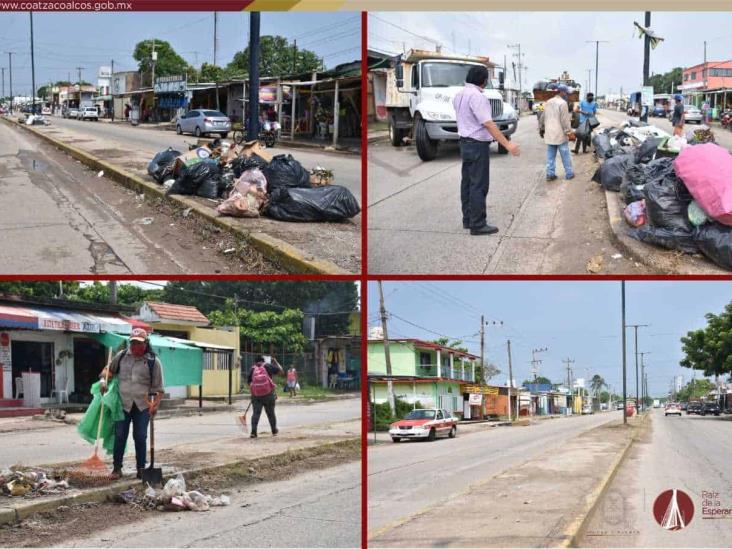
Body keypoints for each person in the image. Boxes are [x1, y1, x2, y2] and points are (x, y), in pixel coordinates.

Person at [453, 65, 520, 236]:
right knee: (479, 185)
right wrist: (507, 144)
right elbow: (488, 123)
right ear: (484, 80)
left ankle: (468, 219)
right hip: (476, 145)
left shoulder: (459, 95)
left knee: (467, 183)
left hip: (464, 143)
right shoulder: (478, 97)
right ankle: (478, 224)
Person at [100, 328, 164, 480]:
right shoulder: (122, 356)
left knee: (140, 437)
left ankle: (141, 469)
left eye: (139, 344)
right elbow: (107, 371)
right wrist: (103, 381)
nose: (136, 347)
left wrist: (155, 405)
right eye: (133, 343)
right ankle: (117, 468)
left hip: (142, 405)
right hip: (123, 404)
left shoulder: (153, 361)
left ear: (146, 344)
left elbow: (159, 388)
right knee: (120, 436)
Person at [541, 84, 574, 181]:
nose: (567, 94)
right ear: (562, 92)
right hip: (560, 134)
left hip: (549, 134)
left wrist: (542, 129)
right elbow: (565, 120)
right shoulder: (562, 103)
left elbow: (542, 117)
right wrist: (569, 132)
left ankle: (550, 174)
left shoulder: (548, 102)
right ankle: (569, 174)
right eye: (567, 93)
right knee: (565, 155)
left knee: (550, 156)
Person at [247, 356, 284, 438]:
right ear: (263, 361)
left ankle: (253, 432)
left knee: (256, 413)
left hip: (256, 396)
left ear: (255, 362)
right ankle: (274, 430)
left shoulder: (252, 369)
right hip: (268, 394)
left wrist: (254, 392)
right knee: (271, 413)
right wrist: (276, 362)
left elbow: (249, 383)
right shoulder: (268, 366)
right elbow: (281, 372)